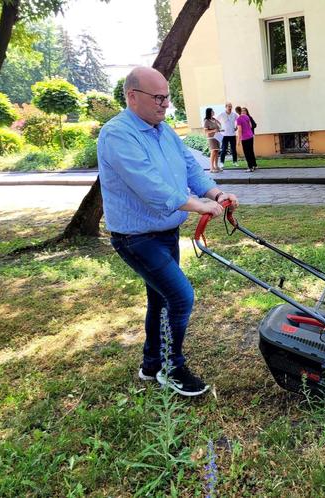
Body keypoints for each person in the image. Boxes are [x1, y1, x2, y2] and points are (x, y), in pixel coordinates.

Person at [97, 67, 240, 397]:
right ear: (133, 97)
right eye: (158, 98)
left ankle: (151, 364)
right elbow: (151, 186)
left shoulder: (163, 130)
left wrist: (215, 194)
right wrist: (198, 206)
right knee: (180, 296)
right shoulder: (118, 134)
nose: (165, 104)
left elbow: (190, 168)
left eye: (167, 97)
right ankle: (172, 367)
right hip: (135, 238)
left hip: (164, 234)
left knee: (160, 298)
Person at [217, 102, 239, 168]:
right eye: (229, 106)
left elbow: (238, 121)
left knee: (233, 149)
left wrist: (237, 127)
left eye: (231, 106)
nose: (230, 108)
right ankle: (221, 163)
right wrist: (219, 128)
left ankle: (235, 162)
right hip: (224, 135)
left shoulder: (234, 114)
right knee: (223, 149)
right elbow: (216, 121)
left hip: (232, 134)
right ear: (226, 107)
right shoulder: (222, 114)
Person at [236, 105, 257, 172]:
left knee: (247, 153)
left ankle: (250, 167)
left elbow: (239, 130)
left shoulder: (238, 119)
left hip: (245, 138)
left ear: (236, 112)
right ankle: (255, 165)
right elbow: (250, 126)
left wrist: (238, 140)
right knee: (251, 151)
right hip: (250, 136)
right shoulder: (246, 116)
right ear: (241, 111)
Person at [203, 108, 222, 173]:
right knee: (213, 151)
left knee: (217, 151)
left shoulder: (214, 119)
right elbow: (206, 131)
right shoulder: (206, 121)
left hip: (218, 136)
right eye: (212, 111)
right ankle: (211, 167)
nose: (213, 112)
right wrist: (214, 130)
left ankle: (216, 166)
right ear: (209, 112)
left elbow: (219, 126)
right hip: (211, 138)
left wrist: (219, 127)